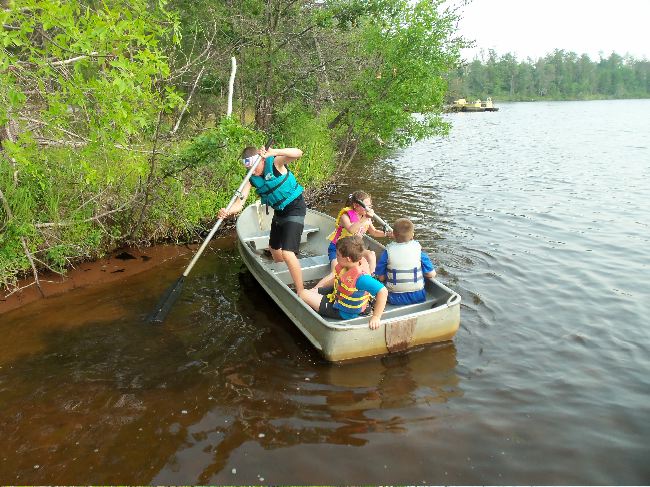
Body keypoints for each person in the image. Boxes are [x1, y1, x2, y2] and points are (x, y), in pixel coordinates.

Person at [218, 145, 306, 294]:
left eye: (254, 167)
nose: (253, 171)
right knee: (274, 248)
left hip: (295, 208)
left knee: (288, 253)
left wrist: (274, 152)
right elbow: (239, 203)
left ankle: (301, 291)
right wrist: (227, 211)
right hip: (279, 212)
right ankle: (285, 274)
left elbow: (298, 153)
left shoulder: (275, 162)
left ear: (261, 160)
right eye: (249, 169)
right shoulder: (251, 178)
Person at [299, 236, 388, 330]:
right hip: (338, 295)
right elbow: (337, 280)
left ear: (348, 259)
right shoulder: (347, 267)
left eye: (338, 255)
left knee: (303, 294)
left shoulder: (361, 278)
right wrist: (318, 288)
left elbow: (383, 291)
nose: (336, 256)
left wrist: (376, 317)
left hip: (343, 311)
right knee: (311, 292)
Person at [326, 190, 391, 275]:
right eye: (366, 206)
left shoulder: (366, 218)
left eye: (370, 206)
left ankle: (371, 277)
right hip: (338, 249)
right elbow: (351, 229)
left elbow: (374, 232)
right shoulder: (345, 216)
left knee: (371, 254)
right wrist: (365, 218)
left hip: (353, 249)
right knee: (335, 270)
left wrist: (388, 234)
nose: (368, 209)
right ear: (355, 205)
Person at [375, 218, 436, 305]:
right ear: (413, 235)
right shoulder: (419, 251)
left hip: (393, 298)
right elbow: (431, 274)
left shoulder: (387, 252)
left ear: (393, 235)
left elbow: (381, 278)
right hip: (418, 296)